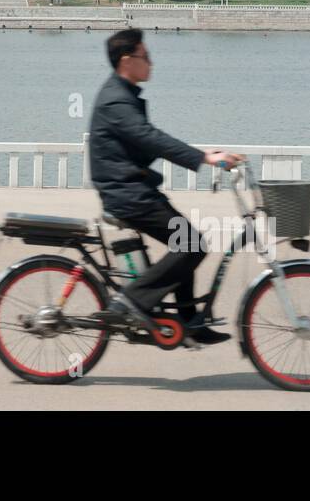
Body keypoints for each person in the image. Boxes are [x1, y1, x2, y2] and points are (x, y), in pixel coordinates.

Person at [87, 28, 244, 344]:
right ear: (127, 60)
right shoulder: (116, 101)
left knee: (185, 241)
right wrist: (204, 158)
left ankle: (189, 322)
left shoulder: (123, 94)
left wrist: (205, 155)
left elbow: (148, 141)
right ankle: (130, 301)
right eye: (147, 56)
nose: (152, 63)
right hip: (127, 195)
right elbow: (151, 138)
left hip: (135, 190)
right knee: (191, 244)